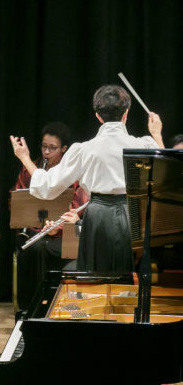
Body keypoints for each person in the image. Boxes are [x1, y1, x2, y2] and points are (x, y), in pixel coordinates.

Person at [10, 84, 164, 273]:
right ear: (126, 114)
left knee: (95, 274)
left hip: (98, 216)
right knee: (125, 276)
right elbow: (163, 175)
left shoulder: (84, 149)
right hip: (132, 215)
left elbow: (47, 186)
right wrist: (157, 134)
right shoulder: (143, 144)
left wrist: (25, 157)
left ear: (98, 116)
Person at [12, 123, 89, 310]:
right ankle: (30, 308)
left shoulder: (71, 173)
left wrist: (58, 227)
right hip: (34, 229)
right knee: (33, 248)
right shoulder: (30, 168)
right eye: (44, 146)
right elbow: (17, 201)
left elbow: (78, 207)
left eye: (52, 148)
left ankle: (53, 306)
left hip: (62, 233)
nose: (46, 152)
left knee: (47, 248)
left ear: (64, 149)